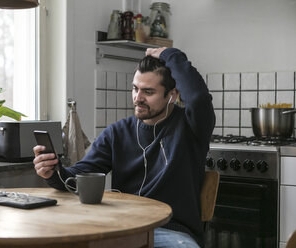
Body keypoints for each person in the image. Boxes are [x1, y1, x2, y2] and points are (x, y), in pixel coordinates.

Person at [33, 47, 215, 248]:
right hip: (123, 227)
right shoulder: (117, 133)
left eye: (148, 92)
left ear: (171, 95)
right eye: (135, 88)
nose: (138, 98)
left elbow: (198, 98)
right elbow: (78, 177)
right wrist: (53, 171)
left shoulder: (190, 127)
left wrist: (169, 54)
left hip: (170, 230)